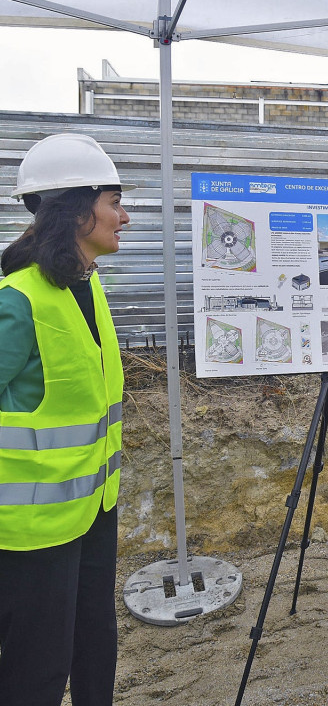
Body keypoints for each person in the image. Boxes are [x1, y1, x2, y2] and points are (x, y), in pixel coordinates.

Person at [0, 133, 133, 705]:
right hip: (35, 533)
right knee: (38, 669)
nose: (123, 217)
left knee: (96, 644)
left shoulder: (86, 282)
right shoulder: (18, 301)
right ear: (77, 212)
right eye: (113, 201)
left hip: (94, 508)